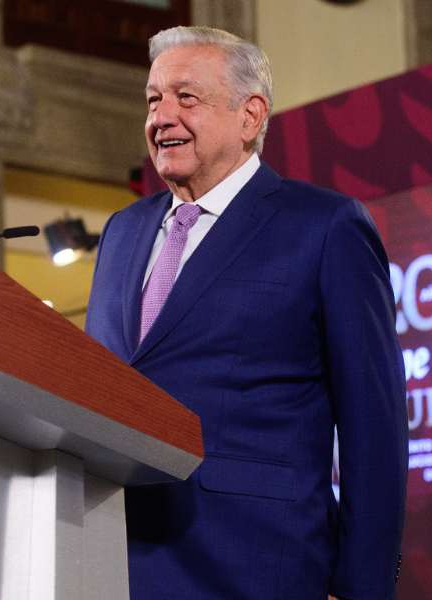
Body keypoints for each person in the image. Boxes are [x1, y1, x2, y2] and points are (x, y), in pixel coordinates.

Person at [85, 25, 407, 600]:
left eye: (186, 97)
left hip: (257, 566)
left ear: (250, 116)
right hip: (112, 560)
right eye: (153, 100)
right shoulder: (122, 231)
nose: (161, 117)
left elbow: (374, 425)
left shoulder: (325, 227)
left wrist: (362, 586)